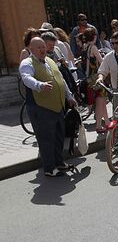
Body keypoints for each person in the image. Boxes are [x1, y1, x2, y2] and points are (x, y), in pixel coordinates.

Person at [19, 37, 77, 177]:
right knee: (46, 138)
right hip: (40, 108)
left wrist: (69, 97)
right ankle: (49, 169)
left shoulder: (50, 61)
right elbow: (26, 78)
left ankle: (59, 162)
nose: (42, 49)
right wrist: (39, 85)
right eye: (38, 47)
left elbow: (60, 79)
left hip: (57, 107)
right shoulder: (27, 63)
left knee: (58, 136)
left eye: (43, 46)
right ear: (31, 49)